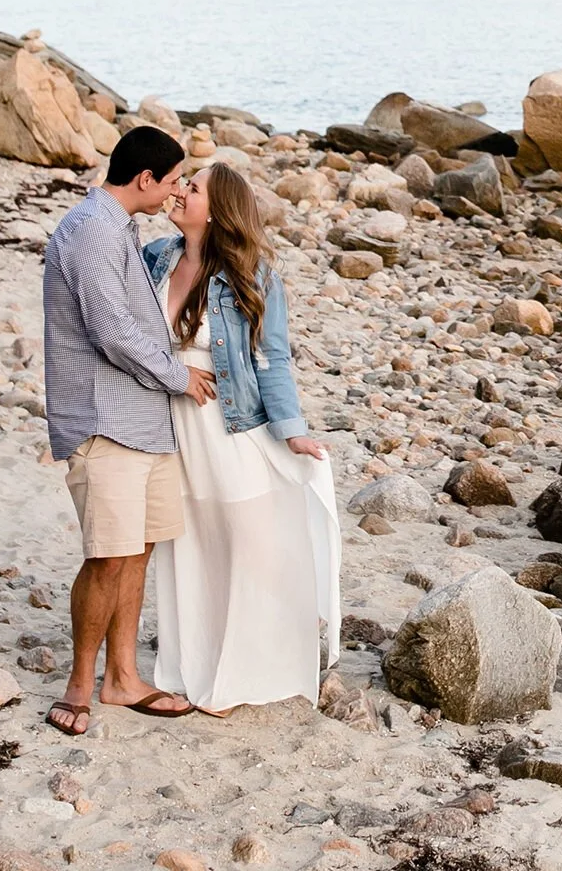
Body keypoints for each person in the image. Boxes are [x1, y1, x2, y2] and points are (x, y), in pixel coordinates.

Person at [144, 164, 341, 714]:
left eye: (193, 188)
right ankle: (197, 669)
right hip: (171, 428)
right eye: (183, 184)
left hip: (229, 428)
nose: (180, 191)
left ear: (218, 210)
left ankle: (244, 675)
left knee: (245, 545)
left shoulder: (253, 275)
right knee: (190, 549)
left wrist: (292, 430)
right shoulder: (155, 259)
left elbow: (272, 358)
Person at [41, 126, 217, 734]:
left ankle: (122, 677)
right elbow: (113, 332)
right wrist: (179, 377)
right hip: (105, 419)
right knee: (108, 557)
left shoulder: (123, 229)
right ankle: (78, 685)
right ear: (145, 179)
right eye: (172, 182)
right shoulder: (92, 229)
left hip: (145, 421)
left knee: (137, 552)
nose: (175, 193)